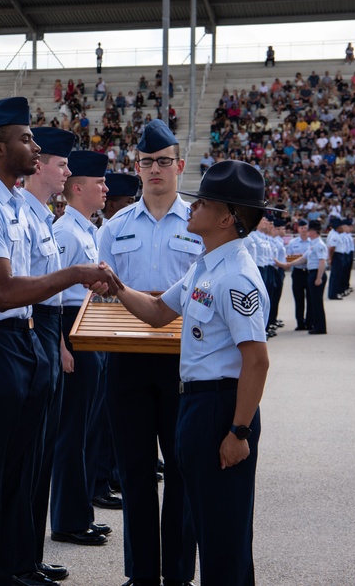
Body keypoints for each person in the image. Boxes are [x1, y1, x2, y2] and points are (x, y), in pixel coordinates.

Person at [0, 97, 122, 586]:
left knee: (18, 467)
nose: (36, 145)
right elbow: (2, 292)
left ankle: (12, 566)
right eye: (26, 138)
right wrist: (77, 273)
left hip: (19, 339)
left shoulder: (15, 207)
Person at [115, 159, 275, 586]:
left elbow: (256, 361)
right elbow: (156, 312)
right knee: (204, 523)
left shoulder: (237, 278)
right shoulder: (204, 267)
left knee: (224, 539)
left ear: (226, 218)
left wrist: (238, 433)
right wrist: (115, 285)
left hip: (223, 408)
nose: (192, 206)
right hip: (193, 403)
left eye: (203, 202)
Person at [96, 119, 201, 586]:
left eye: (163, 161)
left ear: (179, 165)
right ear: (136, 168)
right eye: (146, 162)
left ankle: (177, 576)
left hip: (184, 361)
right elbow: (101, 294)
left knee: (181, 473)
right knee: (136, 473)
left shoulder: (200, 223)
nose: (155, 169)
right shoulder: (114, 227)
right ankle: (142, 577)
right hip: (127, 362)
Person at [19, 126, 75, 584]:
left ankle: (29, 557)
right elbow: (25, 291)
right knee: (29, 455)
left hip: (49, 327)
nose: (67, 172)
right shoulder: (22, 213)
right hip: (33, 327)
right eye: (61, 164)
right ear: (39, 167)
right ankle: (19, 559)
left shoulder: (40, 215)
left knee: (42, 453)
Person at [50, 151, 113, 549]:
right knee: (72, 430)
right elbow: (51, 293)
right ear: (77, 188)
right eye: (99, 183)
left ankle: (80, 511)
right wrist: (61, 346)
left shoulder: (88, 231)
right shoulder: (65, 233)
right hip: (71, 330)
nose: (105, 188)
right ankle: (68, 518)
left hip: (91, 329)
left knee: (87, 427)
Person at [286, 219, 311, 328]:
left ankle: (310, 322)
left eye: (305, 228)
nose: (303, 230)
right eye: (301, 228)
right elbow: (288, 258)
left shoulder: (312, 241)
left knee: (310, 299)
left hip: (308, 272)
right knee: (298, 299)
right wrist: (302, 258)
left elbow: (312, 258)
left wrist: (300, 257)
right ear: (298, 229)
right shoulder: (293, 242)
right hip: (297, 272)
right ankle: (300, 322)